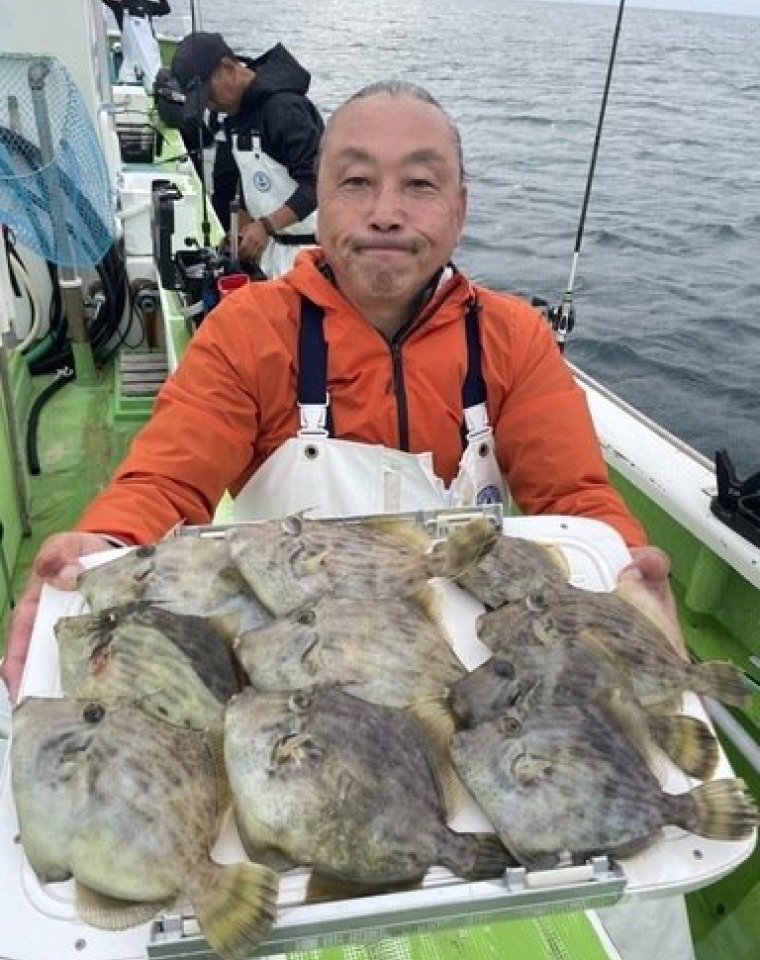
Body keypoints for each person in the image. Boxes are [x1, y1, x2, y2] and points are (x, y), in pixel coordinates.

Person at [1, 79, 676, 700]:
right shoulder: (248, 331)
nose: (386, 212)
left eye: (419, 184)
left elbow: (574, 499)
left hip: (472, 670)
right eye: (356, 181)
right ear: (321, 200)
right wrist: (106, 545)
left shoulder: (515, 338)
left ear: (460, 208)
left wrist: (622, 562)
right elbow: (165, 486)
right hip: (292, 672)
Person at [170, 31, 324, 278]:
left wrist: (266, 226)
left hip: (311, 253)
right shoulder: (234, 117)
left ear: (228, 67)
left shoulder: (285, 109)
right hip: (272, 253)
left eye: (208, 95)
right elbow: (238, 186)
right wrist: (239, 232)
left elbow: (318, 185)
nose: (210, 105)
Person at [102, 0, 171, 90]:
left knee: (154, 83)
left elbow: (165, 9)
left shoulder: (147, 4)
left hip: (151, 59)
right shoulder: (120, 6)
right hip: (131, 67)